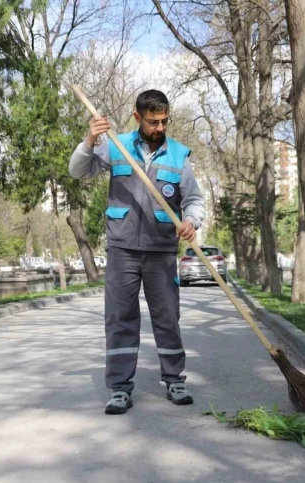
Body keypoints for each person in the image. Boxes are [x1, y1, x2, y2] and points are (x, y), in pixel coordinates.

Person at [69, 90, 205, 415]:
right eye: (153, 121)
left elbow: (194, 200)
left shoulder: (178, 156)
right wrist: (90, 139)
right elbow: (77, 171)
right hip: (122, 248)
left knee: (167, 317)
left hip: (161, 250)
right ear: (137, 117)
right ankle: (119, 388)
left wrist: (191, 220)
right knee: (120, 318)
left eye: (164, 121)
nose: (159, 127)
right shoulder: (116, 145)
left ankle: (175, 380)